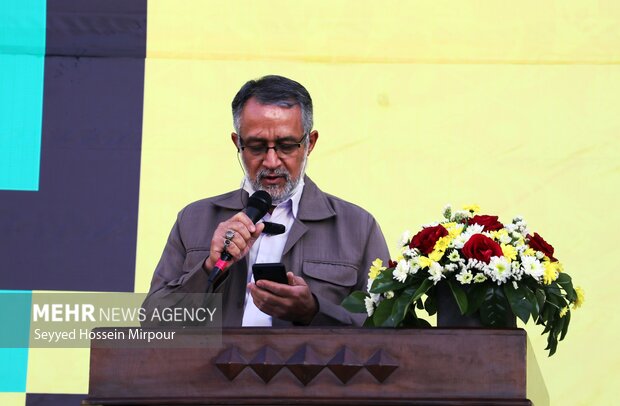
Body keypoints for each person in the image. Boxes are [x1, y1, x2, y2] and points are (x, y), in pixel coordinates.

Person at [143, 75, 389, 327]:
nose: (271, 162)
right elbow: (152, 321)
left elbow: (385, 332)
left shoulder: (358, 228)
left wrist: (314, 311)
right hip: (214, 366)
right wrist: (208, 266)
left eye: (286, 146)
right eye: (257, 146)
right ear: (237, 143)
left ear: (310, 143)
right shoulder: (194, 219)